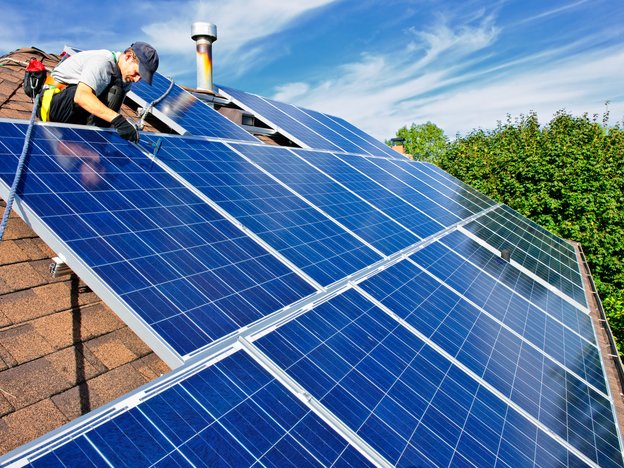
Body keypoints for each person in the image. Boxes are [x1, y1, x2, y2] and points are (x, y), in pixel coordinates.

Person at [38, 42, 159, 142]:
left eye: (141, 77)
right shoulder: (103, 61)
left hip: (72, 108)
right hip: (52, 103)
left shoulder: (124, 80)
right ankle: (83, 140)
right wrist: (118, 120)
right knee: (92, 94)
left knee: (117, 92)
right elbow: (81, 96)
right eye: (137, 73)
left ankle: (93, 142)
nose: (137, 79)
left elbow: (113, 111)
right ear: (128, 57)